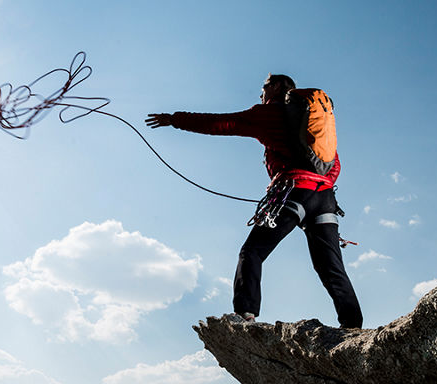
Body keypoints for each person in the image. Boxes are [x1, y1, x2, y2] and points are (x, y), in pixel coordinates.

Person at [145, 74, 362, 328]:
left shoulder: (268, 114)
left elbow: (224, 123)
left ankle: (246, 315)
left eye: (264, 87)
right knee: (331, 268)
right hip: (325, 198)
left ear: (278, 87)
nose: (260, 93)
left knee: (253, 251)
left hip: (292, 191)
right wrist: (318, 184)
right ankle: (352, 325)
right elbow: (334, 165)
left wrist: (175, 120)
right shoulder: (316, 123)